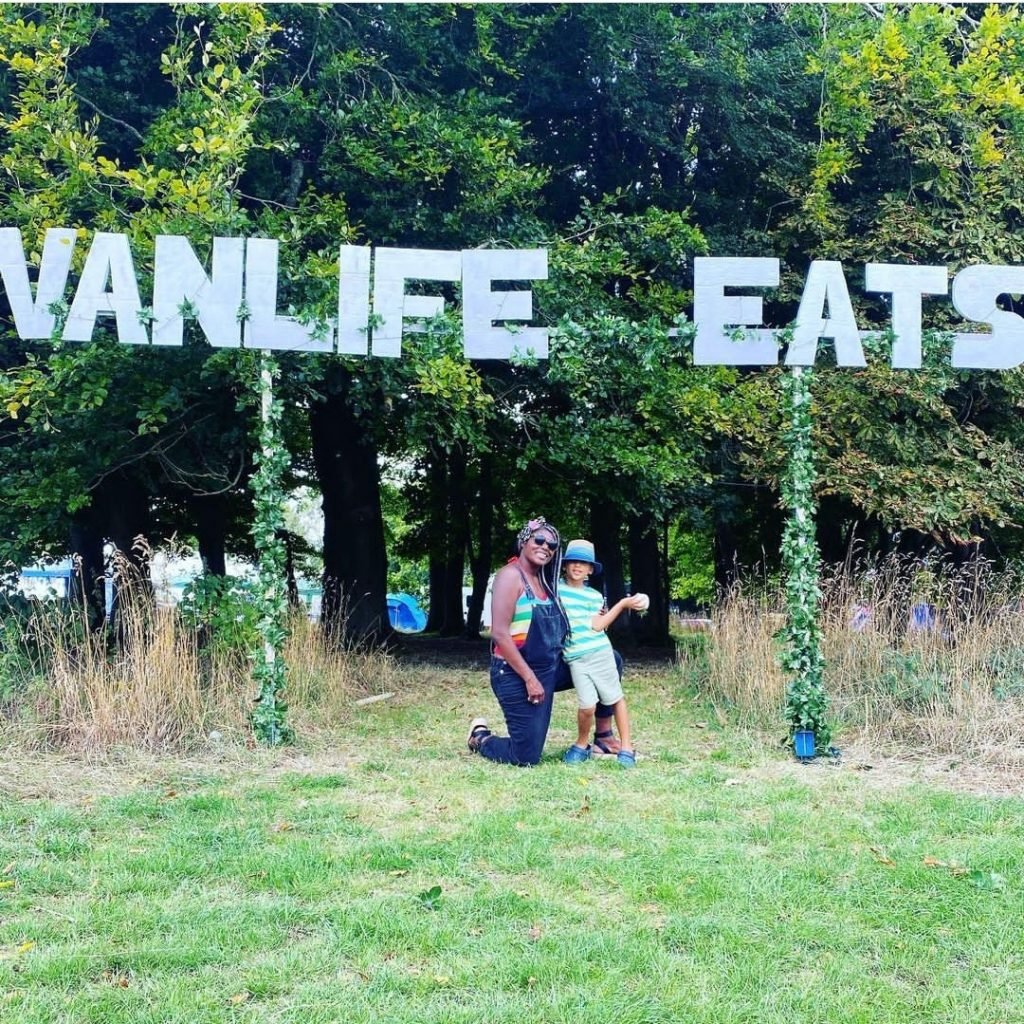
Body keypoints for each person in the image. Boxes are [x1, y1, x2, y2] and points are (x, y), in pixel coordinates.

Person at [467, 517, 622, 766]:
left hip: (550, 668)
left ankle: (603, 736)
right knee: (526, 756)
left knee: (611, 660)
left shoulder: (546, 580)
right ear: (523, 541)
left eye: (552, 545)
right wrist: (530, 680)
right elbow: (500, 634)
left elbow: (573, 604)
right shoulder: (510, 576)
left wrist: (596, 615)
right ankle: (480, 738)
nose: (545, 546)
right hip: (515, 674)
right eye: (538, 539)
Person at [559, 539, 645, 768]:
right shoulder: (556, 590)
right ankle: (581, 743)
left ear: (589, 570)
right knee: (587, 706)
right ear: (565, 566)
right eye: (573, 562)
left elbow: (597, 626)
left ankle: (626, 746)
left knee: (615, 698)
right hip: (575, 658)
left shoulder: (594, 596)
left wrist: (623, 604)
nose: (577, 566)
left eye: (583, 563)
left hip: (600, 653)